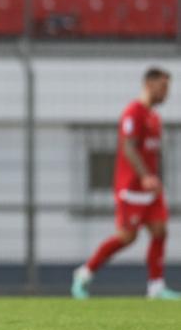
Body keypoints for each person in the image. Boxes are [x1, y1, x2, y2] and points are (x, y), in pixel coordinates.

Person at [72, 68, 180, 300]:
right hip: (131, 188)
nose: (166, 93)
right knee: (126, 237)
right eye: (163, 87)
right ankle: (84, 273)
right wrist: (144, 176)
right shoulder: (134, 112)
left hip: (150, 189)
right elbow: (128, 147)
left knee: (160, 230)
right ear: (149, 85)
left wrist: (154, 178)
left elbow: (151, 153)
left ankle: (156, 286)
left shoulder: (155, 118)